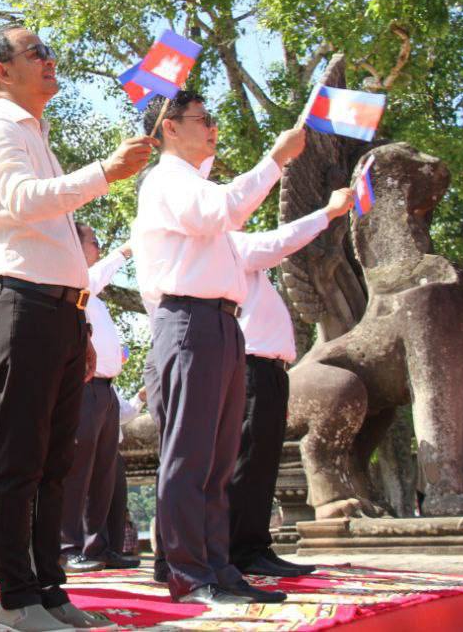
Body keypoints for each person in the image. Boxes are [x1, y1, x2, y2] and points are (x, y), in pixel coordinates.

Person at [0, 24, 154, 632]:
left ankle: (50, 591)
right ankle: (15, 600)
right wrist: (104, 172)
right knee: (20, 462)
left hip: (60, 315)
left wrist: (81, 322)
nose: (49, 60)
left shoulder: (34, 132)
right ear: (3, 71)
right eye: (36, 53)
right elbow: (25, 200)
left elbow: (53, 234)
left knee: (54, 466)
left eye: (48, 50)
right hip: (21, 308)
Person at [130, 90, 305, 607]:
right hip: (189, 321)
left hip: (223, 324)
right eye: (202, 119)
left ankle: (218, 566)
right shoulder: (166, 179)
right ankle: (188, 572)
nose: (213, 128)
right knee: (190, 454)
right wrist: (276, 159)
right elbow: (222, 210)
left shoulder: (194, 182)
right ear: (168, 127)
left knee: (219, 459)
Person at [227, 188, 355, 577]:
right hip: (252, 366)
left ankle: (254, 544)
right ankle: (240, 549)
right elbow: (279, 243)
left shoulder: (239, 251)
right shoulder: (228, 244)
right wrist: (327, 212)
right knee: (249, 459)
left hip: (269, 369)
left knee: (262, 460)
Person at [59, 228, 137, 573]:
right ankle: (68, 545)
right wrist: (125, 251)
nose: (100, 247)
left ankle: (98, 545)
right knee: (78, 469)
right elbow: (95, 276)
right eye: (94, 241)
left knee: (103, 472)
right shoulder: (75, 281)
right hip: (84, 387)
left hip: (106, 390)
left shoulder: (97, 299)